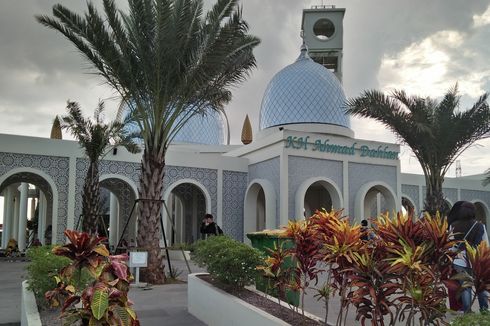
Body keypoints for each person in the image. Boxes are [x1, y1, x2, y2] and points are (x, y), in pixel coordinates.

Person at [449, 201, 489, 313]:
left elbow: (450, 244)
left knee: (465, 286)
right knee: (481, 285)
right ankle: (484, 310)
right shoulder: (479, 225)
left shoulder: (453, 225)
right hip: (476, 261)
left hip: (459, 260)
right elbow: (485, 244)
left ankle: (467, 311)